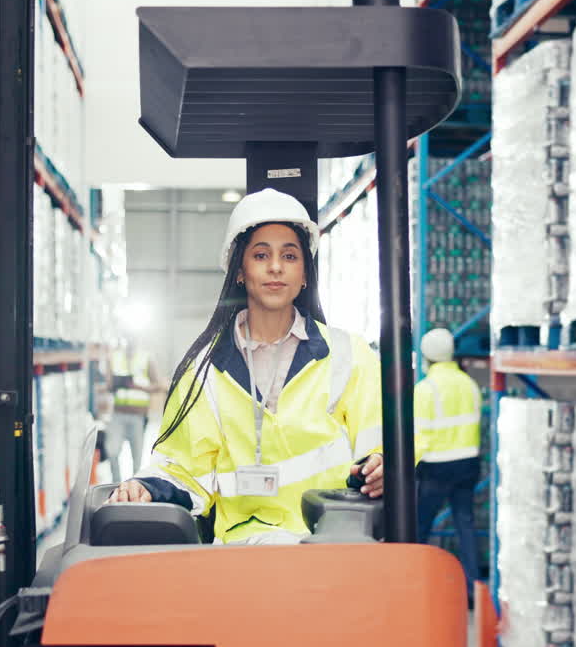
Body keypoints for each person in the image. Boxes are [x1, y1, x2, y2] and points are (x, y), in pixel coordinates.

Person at [108, 188, 385, 544]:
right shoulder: (206, 370)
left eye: (289, 255)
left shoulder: (348, 354)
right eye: (260, 255)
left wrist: (380, 463)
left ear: (304, 274)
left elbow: (381, 436)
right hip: (244, 550)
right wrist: (145, 487)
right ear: (240, 270)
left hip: (331, 543)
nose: (275, 267)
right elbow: (185, 466)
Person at [414, 328, 482, 602]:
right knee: (465, 524)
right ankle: (472, 591)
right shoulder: (469, 384)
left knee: (420, 528)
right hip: (468, 463)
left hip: (436, 467)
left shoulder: (425, 389)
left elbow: (419, 437)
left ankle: (414, 584)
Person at [109, 339, 159, 481]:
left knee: (136, 458)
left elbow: (158, 385)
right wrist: (116, 384)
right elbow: (108, 385)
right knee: (112, 451)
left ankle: (134, 489)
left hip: (138, 416)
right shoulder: (114, 356)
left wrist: (138, 387)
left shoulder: (147, 357)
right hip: (118, 414)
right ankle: (116, 484)